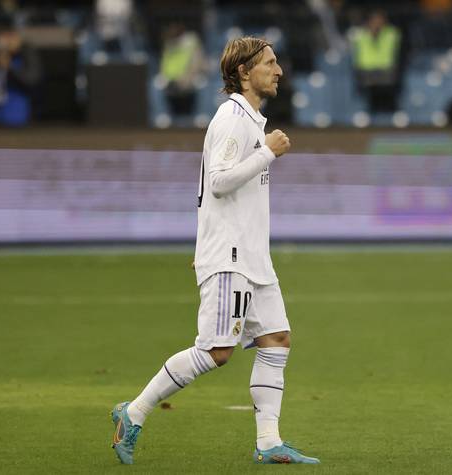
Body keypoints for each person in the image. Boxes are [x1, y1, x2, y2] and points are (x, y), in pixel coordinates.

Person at [110, 37, 320, 466]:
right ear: (244, 73)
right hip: (232, 258)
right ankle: (133, 413)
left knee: (276, 340)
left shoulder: (251, 120)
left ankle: (268, 442)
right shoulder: (233, 118)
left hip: (252, 258)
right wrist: (267, 152)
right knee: (216, 352)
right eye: (269, 63)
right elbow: (220, 181)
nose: (278, 70)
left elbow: (211, 190)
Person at [0, 24, 41, 126]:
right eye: (2, 38)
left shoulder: (26, 53)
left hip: (19, 115)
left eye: (9, 37)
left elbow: (32, 82)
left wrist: (9, 67)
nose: (6, 42)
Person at [349, 10, 401, 113]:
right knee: (368, 87)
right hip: (365, 70)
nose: (377, 23)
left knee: (389, 85)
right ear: (369, 21)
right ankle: (370, 113)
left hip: (386, 70)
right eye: (374, 20)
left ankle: (390, 113)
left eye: (380, 20)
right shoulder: (359, 33)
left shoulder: (392, 33)